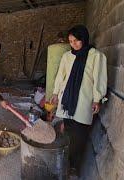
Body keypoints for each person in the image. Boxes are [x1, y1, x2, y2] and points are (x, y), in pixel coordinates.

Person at [51, 25, 107, 175]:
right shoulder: (67, 56)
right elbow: (60, 76)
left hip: (83, 101)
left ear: (84, 39)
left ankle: (75, 165)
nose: (73, 44)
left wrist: (97, 99)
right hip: (67, 100)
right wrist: (56, 93)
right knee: (68, 131)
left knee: (80, 135)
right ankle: (66, 162)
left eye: (76, 40)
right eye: (70, 41)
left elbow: (99, 78)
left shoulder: (96, 56)